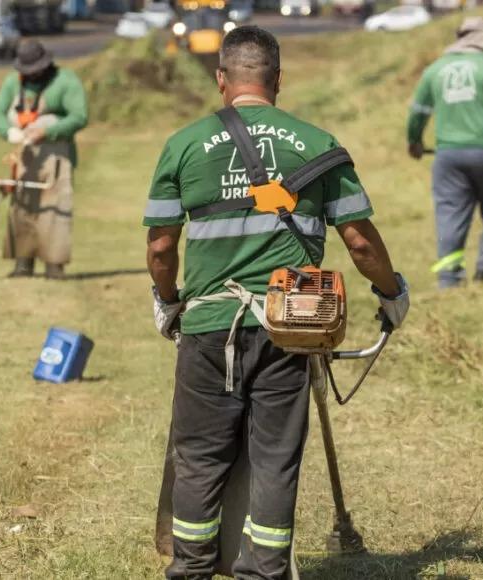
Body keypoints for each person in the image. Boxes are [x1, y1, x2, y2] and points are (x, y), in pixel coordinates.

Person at [144, 26, 409, 579]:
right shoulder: (316, 142)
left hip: (209, 325)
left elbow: (162, 246)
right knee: (274, 460)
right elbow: (359, 241)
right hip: (290, 328)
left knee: (198, 457)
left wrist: (168, 303)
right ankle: (262, 571)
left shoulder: (184, 144)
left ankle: (190, 568)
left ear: (221, 80)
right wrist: (392, 293)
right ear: (278, 80)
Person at [406, 17, 483, 288]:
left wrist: (414, 141)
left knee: (450, 212)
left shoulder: (434, 70)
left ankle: (449, 279)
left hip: (447, 156)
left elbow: (418, 112)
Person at [0, 39, 88, 280]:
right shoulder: (13, 82)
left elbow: (79, 116)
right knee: (22, 207)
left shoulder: (66, 81)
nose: (31, 74)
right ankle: (23, 263)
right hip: (24, 154)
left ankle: (54, 265)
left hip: (56, 154)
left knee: (55, 208)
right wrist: (9, 132)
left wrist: (46, 131)